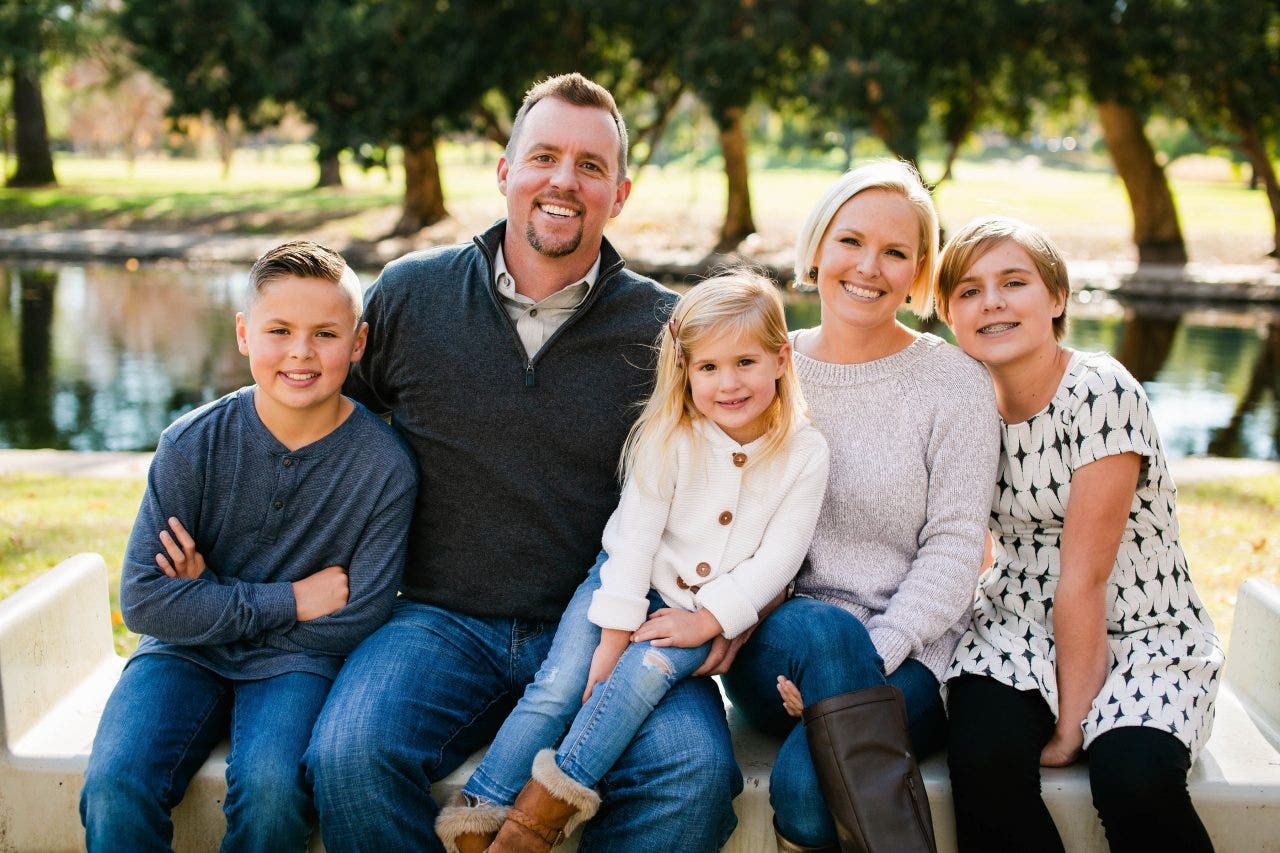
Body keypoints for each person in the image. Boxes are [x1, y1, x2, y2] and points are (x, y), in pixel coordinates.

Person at [303, 73, 742, 853]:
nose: (563, 181)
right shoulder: (410, 295)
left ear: (621, 191)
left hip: (615, 626)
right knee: (347, 756)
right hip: (438, 618)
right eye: (543, 156)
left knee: (694, 773)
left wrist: (735, 607)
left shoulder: (668, 332)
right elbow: (326, 429)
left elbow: (737, 478)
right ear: (505, 171)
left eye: (590, 165)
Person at [435, 272, 829, 852]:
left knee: (642, 680)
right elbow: (634, 542)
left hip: (703, 612)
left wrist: (710, 619)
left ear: (780, 357)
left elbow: (780, 558)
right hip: (625, 584)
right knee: (565, 684)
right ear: (686, 370)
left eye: (745, 362)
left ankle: (533, 826)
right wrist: (613, 637)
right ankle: (480, 814)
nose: (728, 383)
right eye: (709, 368)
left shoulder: (804, 451)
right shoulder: (669, 436)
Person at [79, 241, 418, 852]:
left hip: (297, 666)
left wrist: (206, 594)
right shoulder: (190, 444)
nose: (300, 352)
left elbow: (356, 618)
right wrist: (290, 600)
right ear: (243, 334)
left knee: (273, 791)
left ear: (359, 343)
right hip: (180, 654)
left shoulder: (384, 468)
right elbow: (144, 602)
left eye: (325, 334)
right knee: (114, 784)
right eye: (279, 330)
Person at [721, 159, 1001, 853]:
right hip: (779, 649)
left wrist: (860, 660)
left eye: (896, 252)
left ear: (918, 273)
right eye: (851, 241)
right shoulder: (764, 366)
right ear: (817, 248)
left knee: (807, 790)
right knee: (821, 629)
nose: (869, 266)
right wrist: (819, 657)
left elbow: (957, 545)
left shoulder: (954, 383)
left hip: (911, 658)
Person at [935, 216, 1223, 852]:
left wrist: (1071, 725)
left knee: (1133, 777)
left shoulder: (1099, 391)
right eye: (970, 290)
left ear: (1057, 298)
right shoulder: (963, 400)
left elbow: (1085, 575)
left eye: (1015, 282)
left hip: (1145, 631)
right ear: (948, 313)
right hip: (1014, 627)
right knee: (982, 761)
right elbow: (965, 540)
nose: (993, 302)